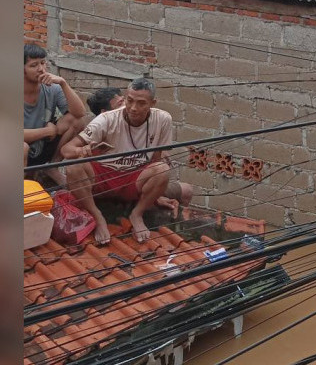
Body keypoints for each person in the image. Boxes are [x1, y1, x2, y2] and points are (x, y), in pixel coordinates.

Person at [62, 78, 172, 244]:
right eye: (129, 100)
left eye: (141, 103)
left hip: (134, 177)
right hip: (102, 175)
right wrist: (81, 151)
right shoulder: (106, 119)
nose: (133, 108)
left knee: (162, 169)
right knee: (73, 165)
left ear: (152, 103)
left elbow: (156, 157)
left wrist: (157, 194)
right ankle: (97, 216)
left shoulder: (163, 119)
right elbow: (66, 150)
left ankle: (137, 213)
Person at [86, 86, 193, 216]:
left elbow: (156, 163)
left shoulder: (147, 123)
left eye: (125, 101)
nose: (131, 107)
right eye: (122, 103)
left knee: (186, 189)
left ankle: (176, 224)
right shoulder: (102, 129)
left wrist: (155, 193)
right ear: (104, 112)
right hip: (119, 187)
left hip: (140, 182)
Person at [23, 44, 86, 185]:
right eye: (34, 65)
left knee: (76, 121)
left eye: (43, 63)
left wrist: (63, 83)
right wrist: (47, 131)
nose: (41, 69)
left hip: (43, 146)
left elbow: (80, 113)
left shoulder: (52, 89)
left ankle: (51, 167)